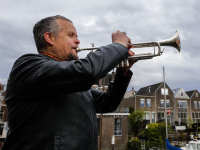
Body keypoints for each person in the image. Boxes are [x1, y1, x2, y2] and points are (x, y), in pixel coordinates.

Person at [2, 15, 136, 150]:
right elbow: (86, 72)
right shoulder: (28, 65)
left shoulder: (71, 81)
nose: (78, 41)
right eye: (71, 35)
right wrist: (117, 46)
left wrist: (122, 72)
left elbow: (107, 103)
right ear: (50, 38)